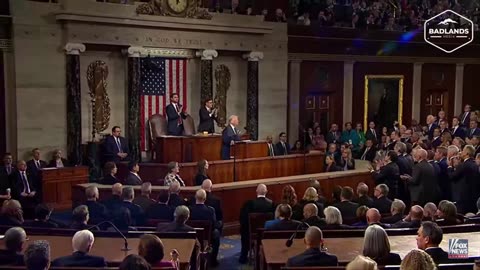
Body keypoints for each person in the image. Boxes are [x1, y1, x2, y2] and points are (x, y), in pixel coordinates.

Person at [239, 184, 275, 264]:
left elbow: (242, 220)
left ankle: (243, 256)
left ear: (256, 191)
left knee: (244, 229)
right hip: (267, 233)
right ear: (266, 192)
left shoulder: (249, 204)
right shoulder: (272, 204)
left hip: (251, 234)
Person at [189, 189, 220, 266]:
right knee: (216, 233)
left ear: (195, 197)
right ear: (205, 199)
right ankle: (213, 261)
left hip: (193, 237)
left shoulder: (189, 210)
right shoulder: (211, 210)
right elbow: (213, 225)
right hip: (206, 238)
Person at [449, 145, 480, 214]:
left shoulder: (464, 165)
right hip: (474, 197)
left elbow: (452, 176)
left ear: (467, 153)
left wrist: (450, 167)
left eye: (463, 151)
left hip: (464, 199)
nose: (461, 152)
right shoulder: (475, 165)